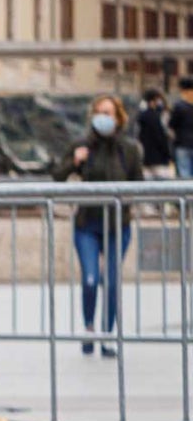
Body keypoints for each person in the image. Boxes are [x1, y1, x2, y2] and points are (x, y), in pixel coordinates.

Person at [59, 94, 143, 356]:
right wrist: (75, 162)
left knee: (112, 280)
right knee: (91, 278)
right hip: (88, 224)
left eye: (108, 113)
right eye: (98, 112)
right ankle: (89, 327)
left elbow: (139, 184)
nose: (102, 118)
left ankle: (108, 333)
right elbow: (56, 176)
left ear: (118, 118)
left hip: (119, 225)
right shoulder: (81, 145)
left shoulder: (129, 149)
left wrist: (125, 203)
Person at [134, 89, 172, 178]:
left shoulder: (141, 116)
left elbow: (137, 135)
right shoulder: (160, 116)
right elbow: (162, 136)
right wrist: (168, 154)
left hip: (145, 158)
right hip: (160, 158)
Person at [171, 77, 193, 179]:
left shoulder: (179, 106)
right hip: (184, 145)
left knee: (185, 175)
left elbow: (172, 125)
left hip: (182, 144)